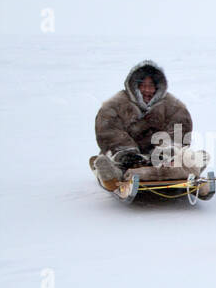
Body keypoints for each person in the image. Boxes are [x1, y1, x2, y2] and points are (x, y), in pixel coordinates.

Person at [90, 60, 209, 190]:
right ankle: (113, 176)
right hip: (128, 159)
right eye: (142, 85)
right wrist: (128, 154)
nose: (147, 90)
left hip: (162, 159)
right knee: (117, 164)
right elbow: (109, 133)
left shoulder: (174, 107)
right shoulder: (114, 106)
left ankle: (190, 176)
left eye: (151, 85)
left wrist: (165, 152)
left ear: (158, 87)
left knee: (195, 157)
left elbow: (178, 132)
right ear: (134, 86)